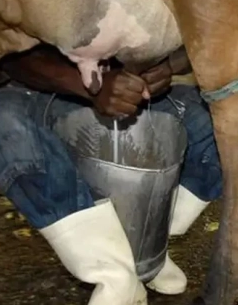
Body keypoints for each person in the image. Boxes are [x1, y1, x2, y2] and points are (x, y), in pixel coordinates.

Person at [0, 43, 223, 305]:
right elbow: (9, 54)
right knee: (6, 125)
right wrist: (89, 85)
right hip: (41, 90)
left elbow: (201, 35)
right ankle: (115, 273)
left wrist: (167, 67)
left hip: (131, 87)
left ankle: (147, 251)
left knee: (225, 122)